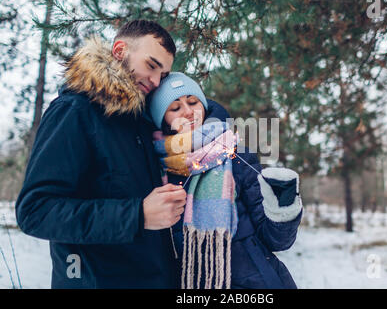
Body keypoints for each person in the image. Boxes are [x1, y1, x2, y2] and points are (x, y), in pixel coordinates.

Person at [15, 19, 229, 288]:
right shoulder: (74, 112)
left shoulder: (141, 122)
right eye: (151, 66)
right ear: (119, 51)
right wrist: (137, 215)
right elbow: (36, 211)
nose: (155, 81)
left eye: (162, 75)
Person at [149, 72, 303, 289]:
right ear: (161, 119)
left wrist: (283, 206)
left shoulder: (236, 155)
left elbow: (276, 240)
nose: (188, 111)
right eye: (175, 108)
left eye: (193, 102)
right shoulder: (154, 169)